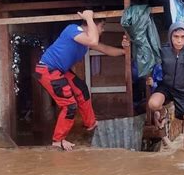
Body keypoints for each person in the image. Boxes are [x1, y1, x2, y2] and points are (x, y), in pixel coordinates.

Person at [35, 10, 129, 151]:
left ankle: (90, 123)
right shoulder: (73, 29)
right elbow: (94, 40)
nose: (102, 30)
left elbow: (105, 49)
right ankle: (57, 140)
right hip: (47, 70)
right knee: (69, 105)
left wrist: (125, 52)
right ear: (92, 25)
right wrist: (89, 17)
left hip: (60, 70)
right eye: (102, 26)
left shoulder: (85, 40)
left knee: (81, 89)